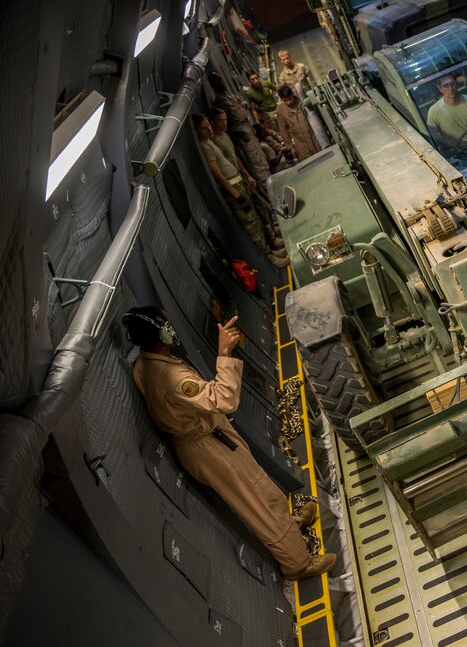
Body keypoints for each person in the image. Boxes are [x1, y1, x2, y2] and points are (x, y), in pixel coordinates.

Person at [123, 306, 336, 581]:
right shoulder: (171, 376)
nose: (173, 328)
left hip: (207, 437)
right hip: (209, 445)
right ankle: (297, 563)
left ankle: (291, 528)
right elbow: (223, 399)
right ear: (163, 333)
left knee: (263, 491)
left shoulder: (147, 363)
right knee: (259, 501)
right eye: (169, 324)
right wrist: (224, 354)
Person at [194, 113, 286, 268]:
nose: (209, 130)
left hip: (239, 181)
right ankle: (269, 258)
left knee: (257, 216)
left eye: (208, 126)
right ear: (197, 131)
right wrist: (236, 195)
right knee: (252, 224)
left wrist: (245, 176)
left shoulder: (211, 142)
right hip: (233, 187)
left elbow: (233, 158)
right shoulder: (205, 147)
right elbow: (219, 176)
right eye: (205, 128)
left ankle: (271, 245)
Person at [208, 73, 271, 187]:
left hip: (246, 126)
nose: (220, 83)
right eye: (216, 81)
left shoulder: (228, 94)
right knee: (255, 160)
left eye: (220, 80)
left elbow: (243, 103)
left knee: (259, 156)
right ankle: (266, 184)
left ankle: (269, 180)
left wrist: (242, 105)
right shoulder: (220, 101)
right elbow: (229, 120)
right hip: (240, 131)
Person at [425, 74, 467, 150]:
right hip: (454, 151)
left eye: (452, 84)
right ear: (440, 89)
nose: (450, 88)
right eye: (445, 86)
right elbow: (436, 139)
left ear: (456, 84)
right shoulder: (433, 112)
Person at [275, 85, 320, 162]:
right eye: (285, 100)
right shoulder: (280, 110)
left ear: (293, 95)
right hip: (300, 144)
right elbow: (283, 130)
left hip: (315, 138)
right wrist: (290, 147)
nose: (288, 102)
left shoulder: (303, 101)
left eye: (290, 99)